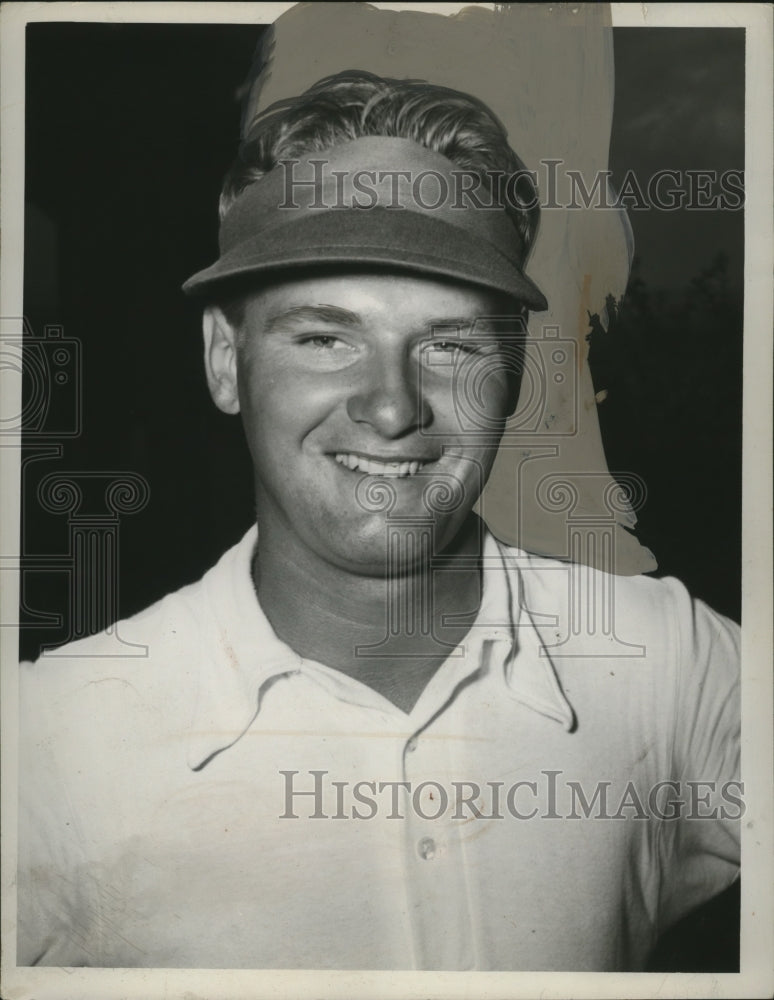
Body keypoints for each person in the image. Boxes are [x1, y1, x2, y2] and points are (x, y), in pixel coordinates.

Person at [17, 71, 741, 971]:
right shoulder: (46, 742)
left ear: (510, 377)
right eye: (326, 337)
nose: (392, 408)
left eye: (450, 343)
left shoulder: (672, 665)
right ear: (223, 358)